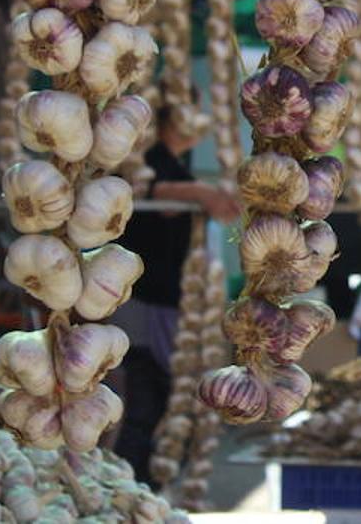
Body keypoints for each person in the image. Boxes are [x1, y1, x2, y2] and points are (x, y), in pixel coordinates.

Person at [114, 101, 241, 484]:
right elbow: (144, 189)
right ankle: (134, 490)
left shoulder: (170, 159)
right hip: (144, 300)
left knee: (164, 403)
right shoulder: (147, 157)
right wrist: (200, 193)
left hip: (165, 301)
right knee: (146, 406)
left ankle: (145, 492)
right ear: (174, 115)